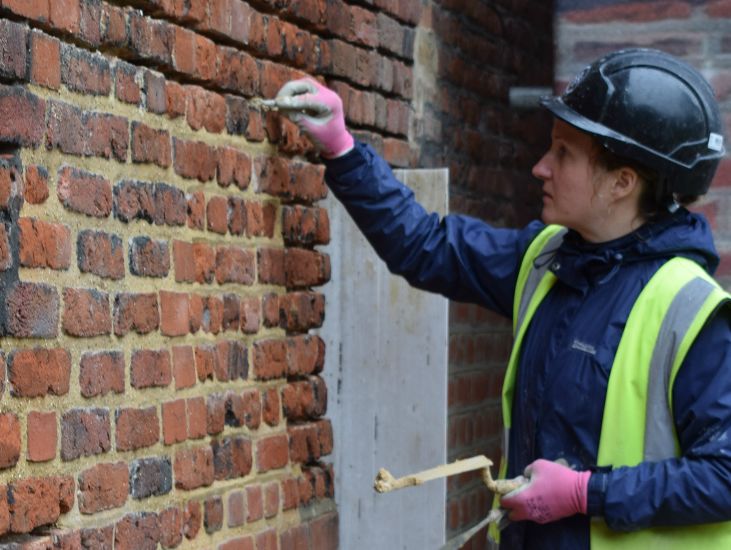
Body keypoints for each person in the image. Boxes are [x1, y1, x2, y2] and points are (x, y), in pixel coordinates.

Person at [271, 48, 731, 549]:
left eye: (563, 154)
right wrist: (341, 147)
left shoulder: (690, 310)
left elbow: (725, 475)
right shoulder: (545, 261)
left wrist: (587, 493)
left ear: (622, 182)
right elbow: (426, 245)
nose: (540, 167)